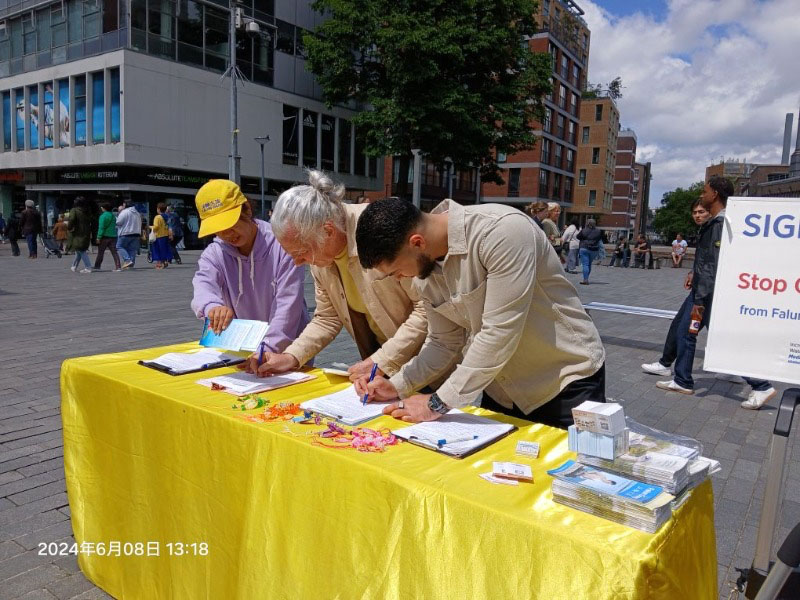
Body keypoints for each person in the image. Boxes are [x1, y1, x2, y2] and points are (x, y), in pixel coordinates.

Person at [352, 197, 606, 429]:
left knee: (567, 475)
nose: (398, 279)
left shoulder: (502, 232)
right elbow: (443, 342)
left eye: (395, 270)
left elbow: (499, 332)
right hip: (501, 390)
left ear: (417, 243)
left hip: (564, 383)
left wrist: (436, 404)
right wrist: (396, 385)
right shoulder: (424, 271)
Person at [251, 171, 430, 382]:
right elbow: (327, 317)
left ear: (328, 230)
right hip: (384, 364)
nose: (298, 263)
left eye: (301, 253)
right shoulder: (320, 248)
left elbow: (425, 308)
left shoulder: (380, 227)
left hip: (427, 361)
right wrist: (291, 356)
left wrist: (381, 360)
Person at [654, 176, 776, 409]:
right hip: (708, 291)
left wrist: (700, 298)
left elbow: (712, 265)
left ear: (715, 195)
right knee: (687, 332)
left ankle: (761, 385)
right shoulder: (721, 223)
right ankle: (682, 379)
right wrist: (695, 275)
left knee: (703, 336)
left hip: (708, 295)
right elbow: (706, 263)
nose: (702, 195)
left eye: (705, 191)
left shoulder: (718, 225)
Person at [191, 179, 310, 359]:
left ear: (246, 210)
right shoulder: (215, 253)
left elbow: (288, 304)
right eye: (218, 229)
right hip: (241, 344)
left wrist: (268, 348)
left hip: (288, 346)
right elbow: (203, 284)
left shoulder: (283, 244)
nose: (227, 234)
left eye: (230, 225)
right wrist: (212, 306)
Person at [642, 199, 711, 378]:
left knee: (687, 332)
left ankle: (758, 384)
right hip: (700, 289)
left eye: (701, 212)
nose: (697, 215)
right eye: (695, 212)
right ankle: (665, 363)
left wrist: (700, 294)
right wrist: (692, 272)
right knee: (680, 326)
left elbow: (712, 264)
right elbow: (704, 260)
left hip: (705, 292)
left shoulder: (714, 229)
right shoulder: (706, 229)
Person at [67, 197, 94, 273]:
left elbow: (71, 219)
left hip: (77, 232)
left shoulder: (74, 210)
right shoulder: (87, 211)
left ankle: (88, 267)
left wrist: (69, 227)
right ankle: (74, 266)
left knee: (80, 249)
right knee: (79, 249)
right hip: (86, 232)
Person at [94, 203, 121, 271]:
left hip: (104, 237)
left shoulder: (103, 216)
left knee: (101, 252)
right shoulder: (113, 216)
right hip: (113, 236)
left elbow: (101, 228)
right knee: (114, 252)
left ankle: (97, 266)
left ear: (103, 208)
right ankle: (118, 266)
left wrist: (98, 237)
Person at [116, 201, 142, 269]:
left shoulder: (124, 212)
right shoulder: (137, 213)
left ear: (125, 205)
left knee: (119, 246)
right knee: (132, 249)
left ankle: (127, 260)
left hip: (126, 233)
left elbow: (118, 222)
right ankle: (131, 264)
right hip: (136, 233)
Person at [576, 218, 603, 285]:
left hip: (584, 248)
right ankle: (586, 278)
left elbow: (578, 237)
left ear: (587, 223)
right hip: (594, 250)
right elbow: (600, 239)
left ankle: (585, 280)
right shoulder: (599, 231)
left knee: (585, 264)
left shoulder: (584, 230)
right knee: (589, 264)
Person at [149, 203, 173, 269]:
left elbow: (156, 227)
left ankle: (159, 263)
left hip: (159, 236)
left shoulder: (157, 217)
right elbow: (169, 226)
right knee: (164, 249)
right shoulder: (167, 216)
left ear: (159, 209)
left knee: (157, 250)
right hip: (166, 235)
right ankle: (164, 261)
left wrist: (149, 227)